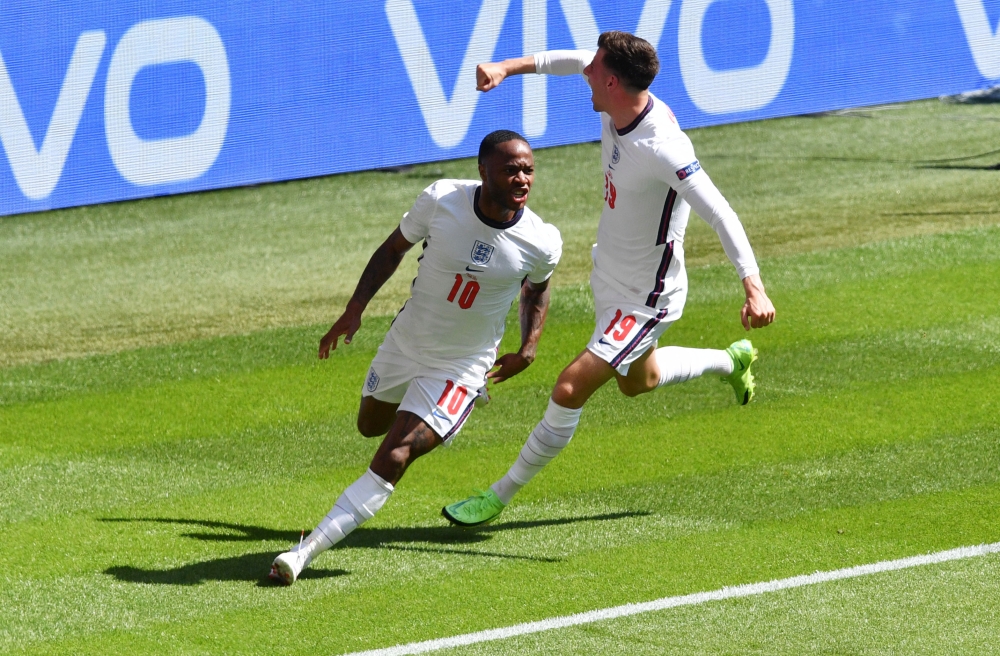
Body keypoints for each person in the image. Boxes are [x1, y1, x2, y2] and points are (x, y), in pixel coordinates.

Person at [442, 32, 776, 527]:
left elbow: (720, 211)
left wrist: (753, 284)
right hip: (610, 274)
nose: (586, 74)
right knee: (637, 383)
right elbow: (571, 59)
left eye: (595, 69)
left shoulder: (663, 146)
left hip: (647, 297)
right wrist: (507, 68)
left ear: (614, 81)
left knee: (570, 388)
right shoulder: (618, 101)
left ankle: (497, 496)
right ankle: (730, 360)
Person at [269, 130, 562, 584]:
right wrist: (354, 310)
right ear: (483, 171)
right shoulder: (442, 198)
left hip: (460, 366)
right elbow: (393, 250)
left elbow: (537, 292)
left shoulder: (540, 241)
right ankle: (446, 408)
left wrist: (529, 345)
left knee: (396, 452)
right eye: (510, 169)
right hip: (406, 342)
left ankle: (305, 551)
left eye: (528, 169)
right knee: (370, 425)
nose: (522, 178)